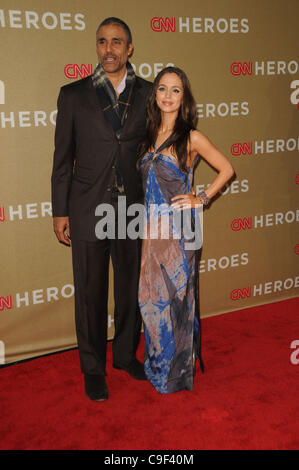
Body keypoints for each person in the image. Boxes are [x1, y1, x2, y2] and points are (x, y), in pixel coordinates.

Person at [51, 17, 152, 401]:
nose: (108, 49)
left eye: (117, 42)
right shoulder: (73, 94)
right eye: (102, 42)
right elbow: (62, 159)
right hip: (87, 206)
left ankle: (125, 355)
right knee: (90, 293)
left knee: (129, 289)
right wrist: (60, 211)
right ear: (97, 47)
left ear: (129, 48)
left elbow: (158, 148)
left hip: (131, 206)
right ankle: (92, 368)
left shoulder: (148, 93)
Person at [138, 66, 235, 394]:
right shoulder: (148, 133)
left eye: (175, 90)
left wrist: (202, 198)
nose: (167, 96)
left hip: (180, 233)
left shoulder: (191, 136)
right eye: (162, 89)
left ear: (184, 97)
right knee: (150, 299)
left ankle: (175, 374)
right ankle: (157, 363)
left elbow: (227, 168)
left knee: (177, 300)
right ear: (155, 94)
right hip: (151, 231)